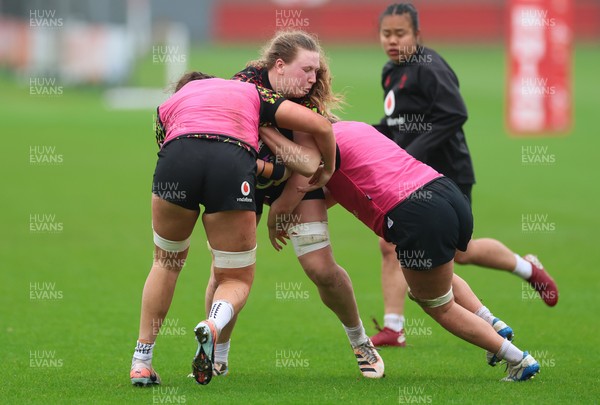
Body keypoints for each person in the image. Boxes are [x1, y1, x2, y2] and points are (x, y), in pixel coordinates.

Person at [268, 121, 541, 382]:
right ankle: (489, 321)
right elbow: (344, 188)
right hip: (446, 193)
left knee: (438, 305)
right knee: (430, 281)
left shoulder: (319, 150)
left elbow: (297, 190)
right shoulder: (355, 130)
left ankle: (517, 359)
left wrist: (279, 215)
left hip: (417, 213)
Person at [130, 71, 337, 386]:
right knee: (235, 276)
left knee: (166, 262)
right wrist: (329, 168)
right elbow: (321, 126)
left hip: (177, 160)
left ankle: (141, 361)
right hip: (230, 162)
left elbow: (165, 143)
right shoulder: (250, 92)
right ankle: (213, 326)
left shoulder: (169, 104)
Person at [370, 3, 559, 348]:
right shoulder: (390, 71)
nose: (393, 41)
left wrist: (410, 154)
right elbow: (395, 126)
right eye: (386, 34)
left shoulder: (429, 67)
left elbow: (454, 113)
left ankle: (527, 267)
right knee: (391, 243)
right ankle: (394, 327)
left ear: (418, 35)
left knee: (460, 253)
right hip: (410, 176)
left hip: (447, 173)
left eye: (401, 34)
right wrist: (362, 136)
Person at [204, 30, 384, 379]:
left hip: (297, 184)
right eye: (306, 70)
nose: (313, 78)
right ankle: (216, 353)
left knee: (321, 269)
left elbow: (309, 165)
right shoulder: (244, 84)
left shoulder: (307, 99)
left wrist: (280, 210)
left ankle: (361, 341)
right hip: (248, 177)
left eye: (317, 71)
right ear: (280, 65)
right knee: (224, 271)